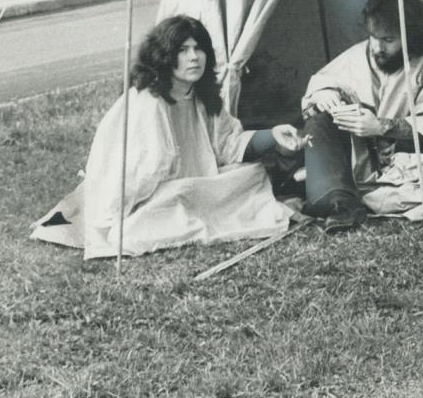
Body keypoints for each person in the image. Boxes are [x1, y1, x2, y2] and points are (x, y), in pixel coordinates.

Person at [32, 15, 301, 258]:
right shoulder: (149, 101)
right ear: (164, 56)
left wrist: (273, 135)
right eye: (182, 50)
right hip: (144, 193)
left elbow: (227, 144)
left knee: (250, 174)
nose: (194, 57)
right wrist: (112, 219)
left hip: (193, 182)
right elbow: (141, 172)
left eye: (198, 49)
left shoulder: (199, 94)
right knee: (180, 196)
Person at [300, 0, 423, 232]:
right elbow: (324, 82)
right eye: (373, 37)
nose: (377, 48)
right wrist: (324, 96)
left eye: (388, 40)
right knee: (318, 121)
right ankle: (342, 198)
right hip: (361, 163)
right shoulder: (360, 54)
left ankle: (347, 197)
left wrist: (380, 126)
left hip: (407, 163)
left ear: (410, 36)